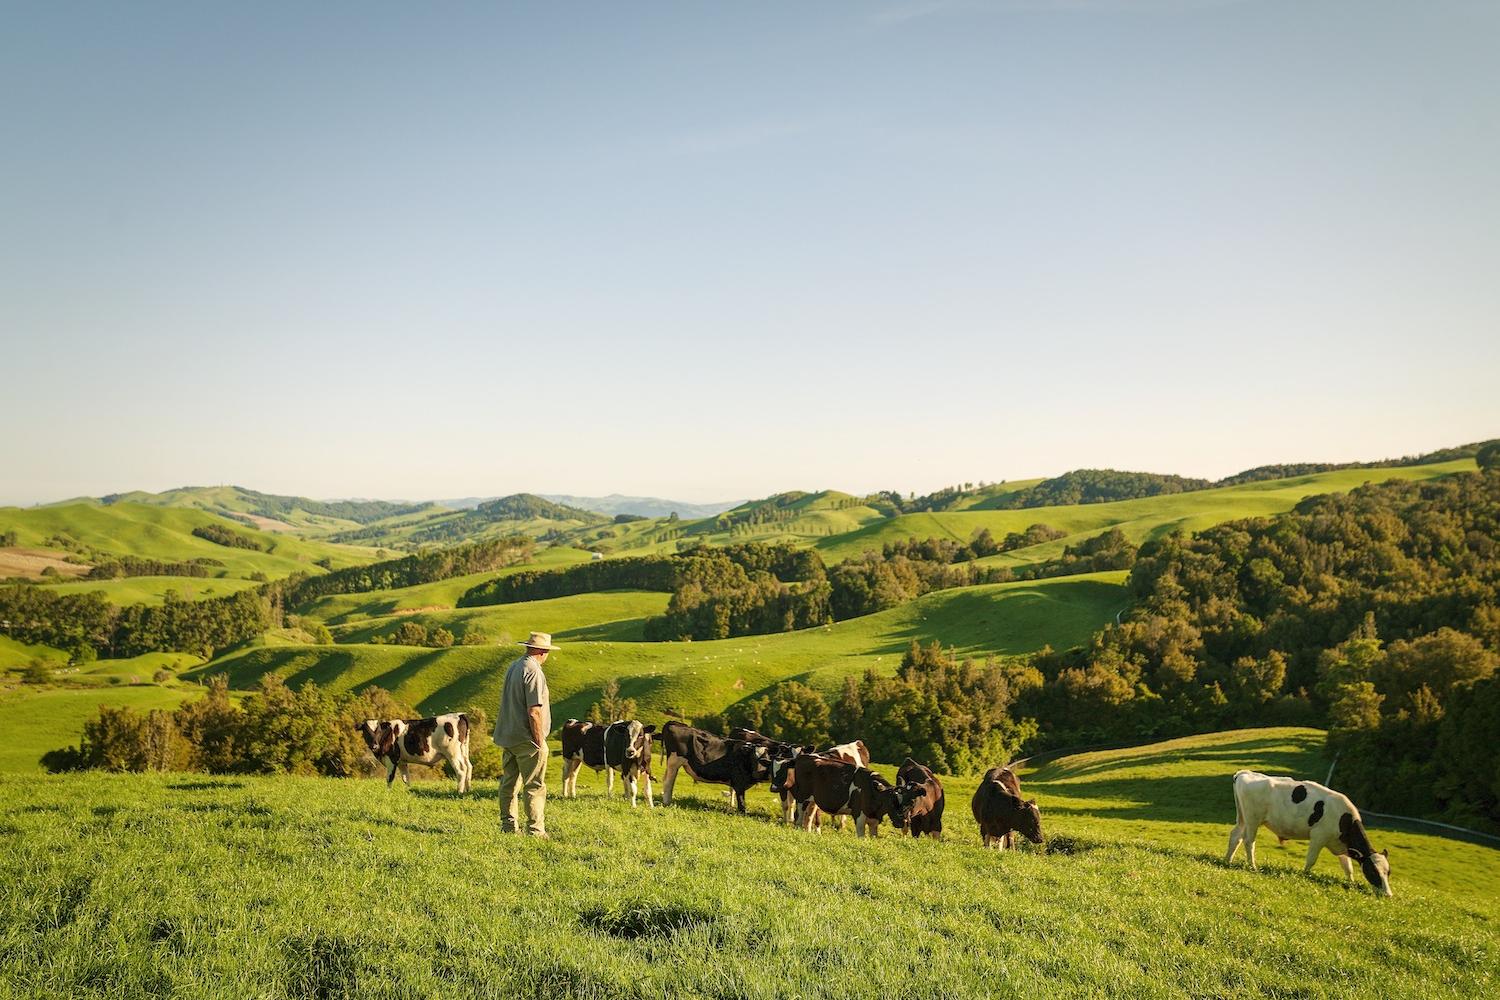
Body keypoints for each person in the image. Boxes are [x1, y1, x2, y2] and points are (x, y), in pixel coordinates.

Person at [494, 631, 557, 838]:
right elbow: (535, 711)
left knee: (509, 783)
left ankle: (508, 826)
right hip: (527, 738)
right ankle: (535, 830)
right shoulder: (534, 671)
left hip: (508, 735)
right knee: (534, 786)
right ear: (542, 651)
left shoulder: (514, 666)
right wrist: (540, 742)